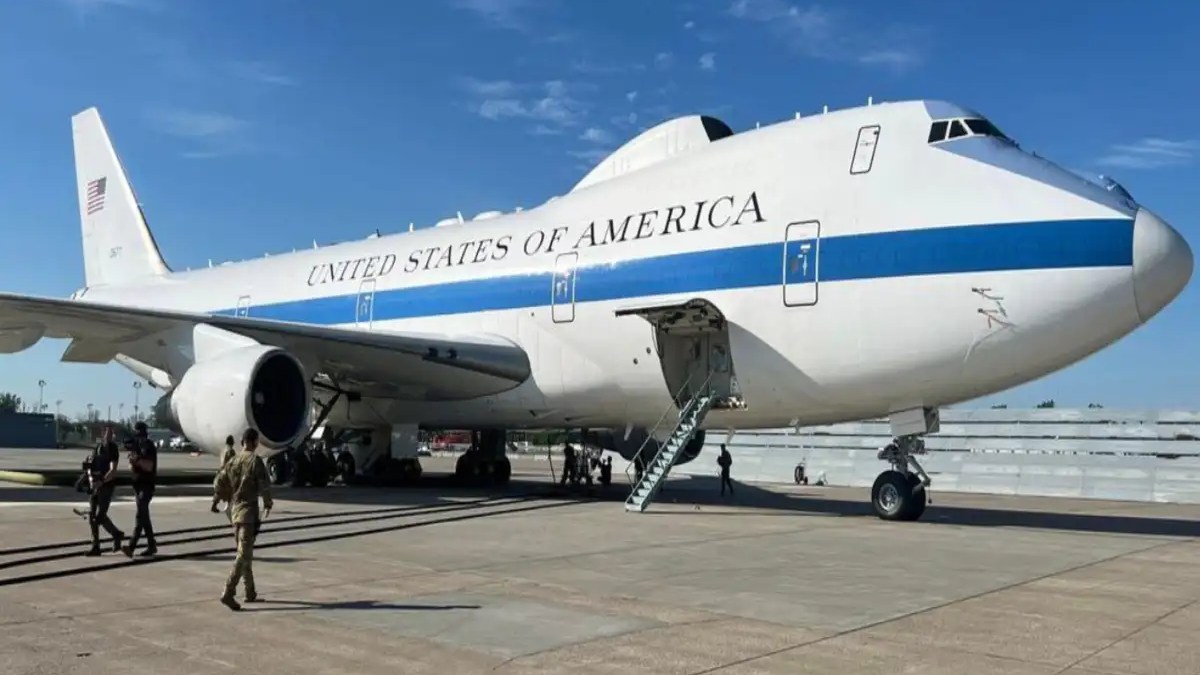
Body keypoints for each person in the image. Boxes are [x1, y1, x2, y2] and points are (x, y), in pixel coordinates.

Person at [212, 428, 274, 611]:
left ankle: (250, 592)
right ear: (255, 442)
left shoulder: (233, 461)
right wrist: (268, 503)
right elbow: (264, 485)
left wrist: (216, 500)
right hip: (248, 513)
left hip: (234, 512)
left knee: (245, 551)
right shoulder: (255, 461)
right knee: (244, 554)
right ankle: (229, 591)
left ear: (242, 442)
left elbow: (219, 482)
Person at [84, 426, 125, 556]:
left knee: (99, 517)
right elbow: (89, 466)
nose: (109, 435)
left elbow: (113, 470)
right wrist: (91, 480)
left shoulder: (113, 449)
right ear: (102, 434)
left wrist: (102, 481)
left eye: (111, 433)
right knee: (92, 516)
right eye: (107, 432)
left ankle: (116, 534)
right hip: (95, 485)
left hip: (106, 486)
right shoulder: (97, 448)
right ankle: (96, 546)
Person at [122, 422, 158, 557]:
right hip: (137, 485)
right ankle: (151, 545)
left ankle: (131, 546)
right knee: (144, 517)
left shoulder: (149, 446)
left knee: (140, 516)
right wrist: (132, 462)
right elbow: (131, 467)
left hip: (147, 486)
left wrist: (137, 460)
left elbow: (149, 466)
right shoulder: (136, 446)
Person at [211, 435, 237, 515]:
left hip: (221, 471)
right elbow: (233, 462)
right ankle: (228, 507)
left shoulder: (223, 450)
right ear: (232, 442)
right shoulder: (231, 451)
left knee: (219, 491)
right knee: (230, 490)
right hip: (227, 473)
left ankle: (214, 505)